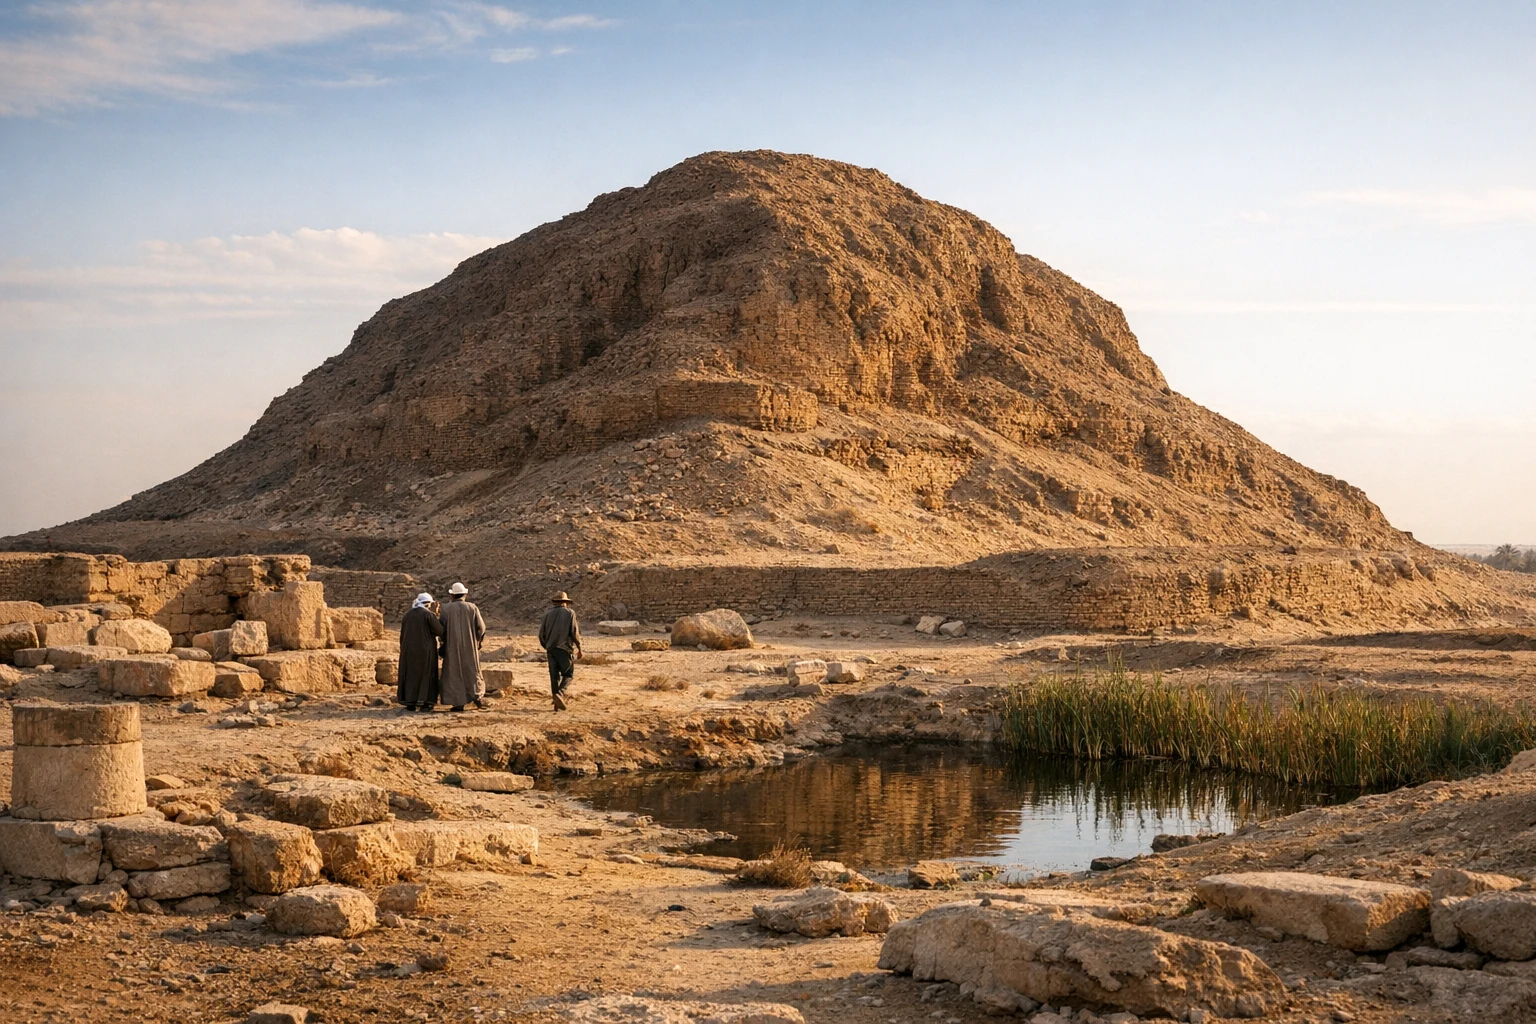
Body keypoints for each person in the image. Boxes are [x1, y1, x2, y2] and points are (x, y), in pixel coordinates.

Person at [439, 582, 487, 712]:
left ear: (452, 596)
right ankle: (477, 696)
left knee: (454, 673)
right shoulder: (472, 607)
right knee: (472, 671)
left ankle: (458, 703)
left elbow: (441, 629)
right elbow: (481, 628)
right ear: (465, 594)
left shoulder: (445, 609)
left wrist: (442, 642)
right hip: (470, 647)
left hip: (451, 647)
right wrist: (478, 640)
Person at [397, 592, 443, 712]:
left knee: (411, 675)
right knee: (427, 674)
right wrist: (436, 614)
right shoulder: (428, 615)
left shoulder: (407, 615)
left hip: (409, 650)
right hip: (425, 650)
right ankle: (426, 702)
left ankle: (410, 702)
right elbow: (439, 631)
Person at [538, 591, 582, 711]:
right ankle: (561, 693)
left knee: (554, 676)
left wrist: (547, 646)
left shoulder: (548, 614)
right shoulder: (570, 613)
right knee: (568, 674)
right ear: (565, 602)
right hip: (565, 649)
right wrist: (579, 648)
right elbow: (574, 633)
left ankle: (556, 704)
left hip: (551, 649)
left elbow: (541, 634)